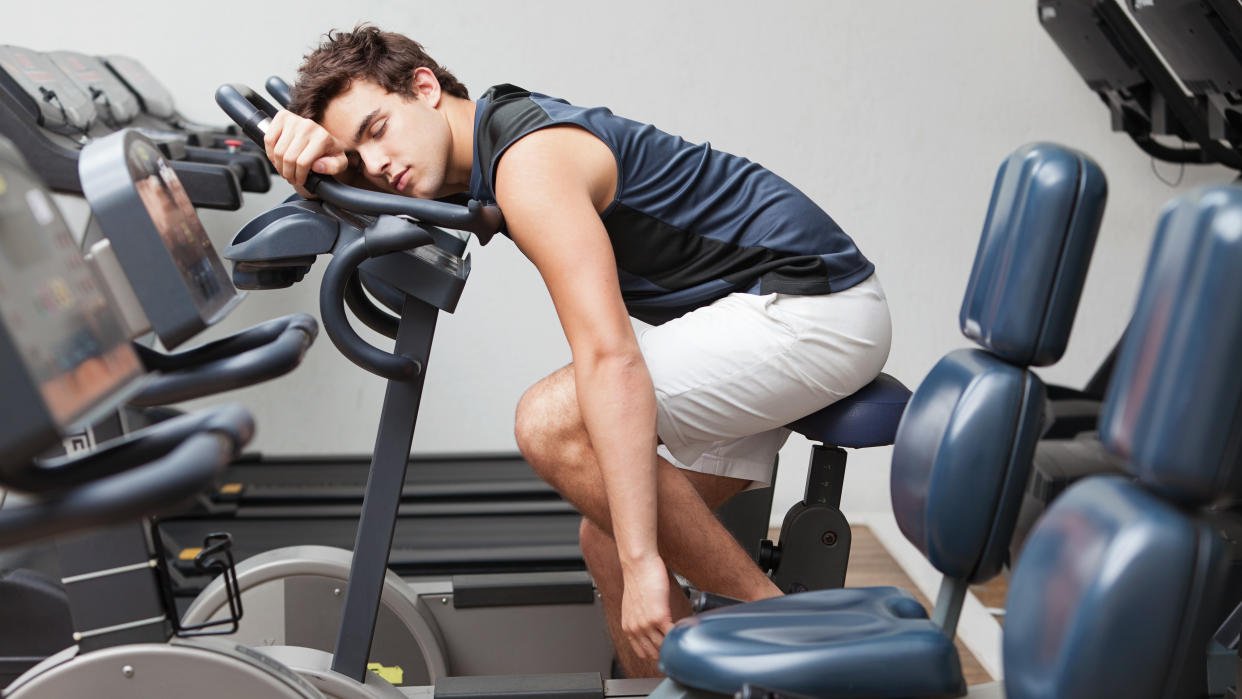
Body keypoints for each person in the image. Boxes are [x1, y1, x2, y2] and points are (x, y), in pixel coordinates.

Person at [265, 24, 892, 678]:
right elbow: (369, 192)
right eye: (360, 158)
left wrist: (649, 563)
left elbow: (609, 354)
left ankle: (796, 652)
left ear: (424, 86)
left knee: (553, 424)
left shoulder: (526, 164)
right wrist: (318, 173)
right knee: (608, 536)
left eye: (375, 129)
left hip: (813, 308)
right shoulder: (485, 145)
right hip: (769, 310)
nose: (378, 163)